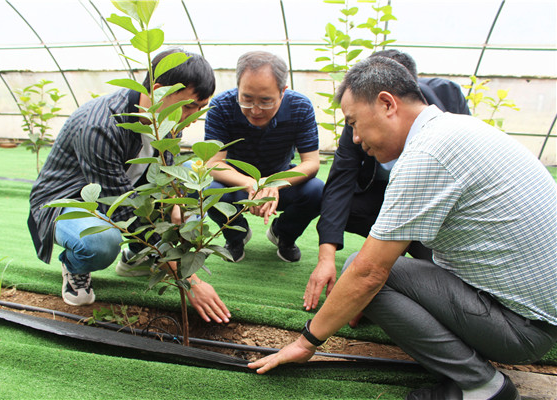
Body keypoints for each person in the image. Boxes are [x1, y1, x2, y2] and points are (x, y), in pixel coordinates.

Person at [249, 57, 557, 400]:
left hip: (524, 329)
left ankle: (481, 385)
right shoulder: (452, 128)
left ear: (386, 103)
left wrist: (307, 342)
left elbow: (369, 272)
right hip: (532, 314)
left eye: (353, 122)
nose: (355, 136)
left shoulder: (427, 154)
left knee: (361, 271)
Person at [28, 48, 231, 324]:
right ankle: (75, 266)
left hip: (124, 190)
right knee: (100, 241)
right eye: (189, 107)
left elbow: (164, 171)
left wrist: (175, 208)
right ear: (159, 91)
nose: (193, 117)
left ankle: (135, 257)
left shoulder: (167, 118)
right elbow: (125, 211)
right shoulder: (100, 126)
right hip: (70, 201)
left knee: (190, 176)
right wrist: (189, 279)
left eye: (200, 107)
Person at [304, 49, 471, 311]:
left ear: (391, 101)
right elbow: (341, 180)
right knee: (340, 211)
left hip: (428, 207)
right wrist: (326, 257)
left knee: (443, 273)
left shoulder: (443, 109)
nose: (356, 136)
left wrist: (373, 272)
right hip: (378, 196)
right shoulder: (360, 117)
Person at [204, 51, 324, 263]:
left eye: (266, 101)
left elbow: (312, 163)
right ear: (238, 88)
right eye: (246, 99)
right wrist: (252, 184)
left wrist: (273, 184)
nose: (255, 110)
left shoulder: (300, 107)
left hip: (283, 179)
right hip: (237, 182)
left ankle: (284, 235)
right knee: (210, 193)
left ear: (283, 92)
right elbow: (213, 163)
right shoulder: (221, 106)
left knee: (316, 191)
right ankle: (236, 236)